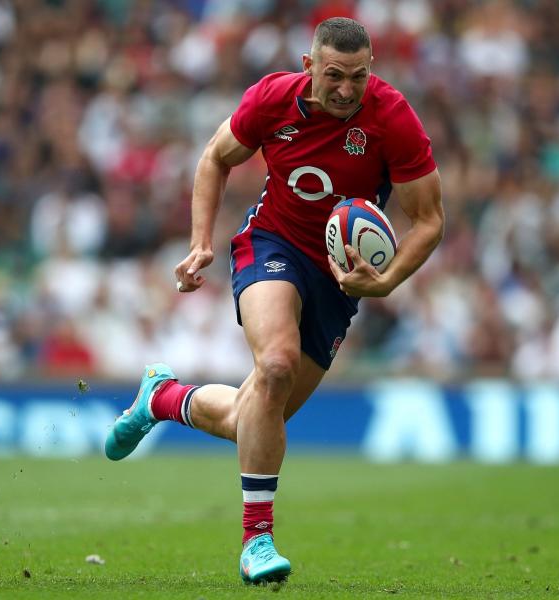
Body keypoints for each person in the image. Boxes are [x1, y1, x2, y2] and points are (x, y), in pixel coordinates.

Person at [104, 17, 444, 585]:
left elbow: (429, 220)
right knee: (277, 364)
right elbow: (215, 156)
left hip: (338, 282)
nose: (345, 89)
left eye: (358, 77)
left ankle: (161, 398)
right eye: (334, 75)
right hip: (272, 245)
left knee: (254, 417)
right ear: (309, 67)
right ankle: (257, 541)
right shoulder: (271, 99)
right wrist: (199, 243)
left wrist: (384, 283)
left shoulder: (392, 118)